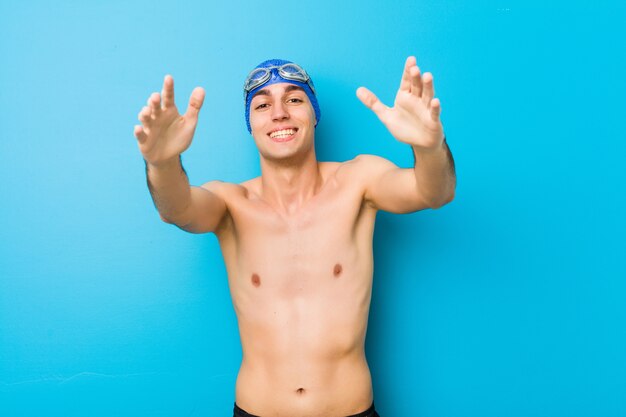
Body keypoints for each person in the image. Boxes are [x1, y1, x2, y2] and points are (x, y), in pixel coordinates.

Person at [133, 57, 456, 417]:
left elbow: (434, 192)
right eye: (262, 105)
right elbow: (176, 209)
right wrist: (161, 163)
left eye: (294, 99)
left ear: (314, 113)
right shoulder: (231, 204)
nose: (279, 113)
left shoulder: (359, 182)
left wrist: (429, 147)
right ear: (251, 125)